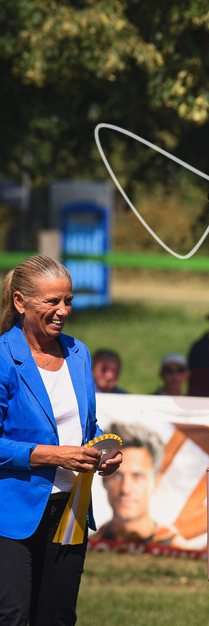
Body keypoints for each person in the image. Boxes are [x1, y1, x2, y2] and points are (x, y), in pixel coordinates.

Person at [0, 255, 123, 624]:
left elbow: (87, 427)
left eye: (67, 300)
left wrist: (103, 451)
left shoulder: (79, 353)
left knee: (57, 616)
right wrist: (54, 456)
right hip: (12, 516)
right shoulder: (4, 356)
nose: (62, 310)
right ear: (20, 302)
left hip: (70, 510)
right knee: (13, 616)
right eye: (51, 301)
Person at [93, 421, 183, 546]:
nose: (126, 489)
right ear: (104, 479)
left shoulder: (180, 552)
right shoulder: (87, 548)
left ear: (156, 482)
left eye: (137, 476)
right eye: (117, 475)